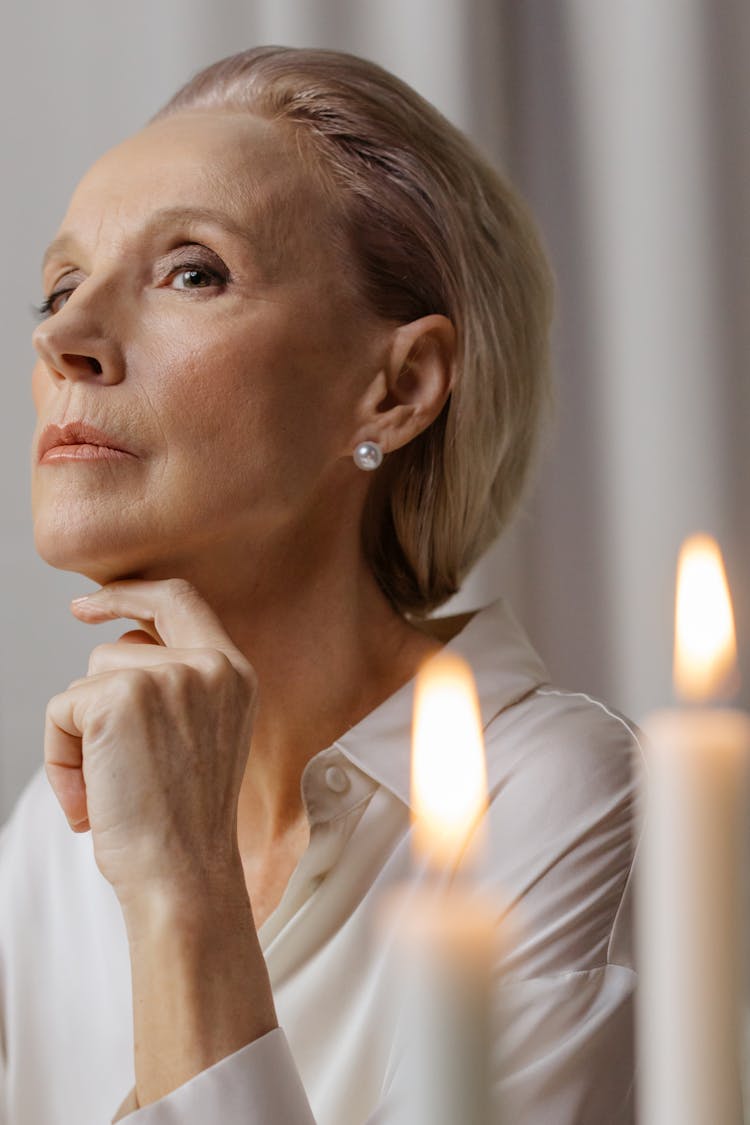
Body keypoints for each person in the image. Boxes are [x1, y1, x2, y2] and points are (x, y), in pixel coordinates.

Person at [0, 46, 642, 1124]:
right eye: (59, 286)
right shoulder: (53, 835)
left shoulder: (559, 798)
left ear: (398, 389)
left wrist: (182, 892)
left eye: (191, 271)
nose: (65, 338)